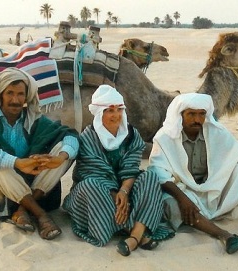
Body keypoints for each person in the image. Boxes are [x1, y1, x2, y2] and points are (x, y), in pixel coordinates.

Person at [148, 93, 238, 254]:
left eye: (201, 114)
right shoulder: (164, 137)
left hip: (213, 186)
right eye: (191, 114)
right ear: (180, 115)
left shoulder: (215, 131)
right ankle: (224, 235)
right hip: (182, 191)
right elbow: (159, 174)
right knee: (171, 203)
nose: (197, 119)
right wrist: (183, 199)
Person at [0, 67, 79, 240]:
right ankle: (40, 214)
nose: (15, 100)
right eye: (10, 93)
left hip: (31, 183)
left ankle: (21, 209)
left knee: (65, 149)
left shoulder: (33, 120)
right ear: (0, 95)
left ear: (26, 96)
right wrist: (17, 163)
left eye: (20, 94)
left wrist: (59, 158)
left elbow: (70, 136)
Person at [62, 85, 171, 256]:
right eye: (110, 110)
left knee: (149, 176)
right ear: (100, 113)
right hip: (98, 193)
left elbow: (131, 168)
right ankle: (135, 230)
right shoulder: (87, 138)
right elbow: (94, 172)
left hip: (124, 190)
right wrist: (118, 197)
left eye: (119, 109)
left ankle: (133, 236)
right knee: (90, 184)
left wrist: (124, 192)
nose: (116, 115)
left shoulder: (131, 135)